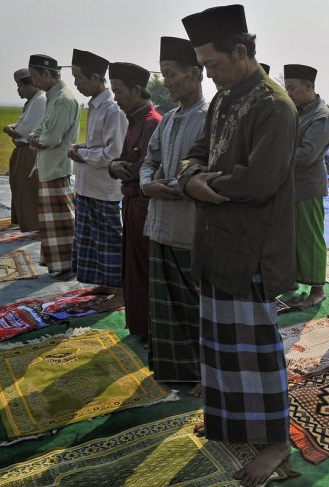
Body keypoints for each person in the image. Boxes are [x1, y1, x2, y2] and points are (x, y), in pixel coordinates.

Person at [179, 6, 297, 486]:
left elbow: (259, 181)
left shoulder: (275, 106)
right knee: (220, 345)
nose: (209, 75)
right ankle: (231, 421)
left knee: (256, 351)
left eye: (213, 65)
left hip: (252, 245)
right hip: (213, 239)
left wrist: (204, 184)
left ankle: (276, 441)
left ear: (241, 52)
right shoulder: (223, 99)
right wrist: (190, 177)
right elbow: (197, 150)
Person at [138, 36, 208, 390]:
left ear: (195, 74)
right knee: (165, 305)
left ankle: (201, 372)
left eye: (171, 74)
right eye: (163, 75)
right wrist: (146, 183)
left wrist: (174, 186)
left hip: (190, 227)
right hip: (161, 224)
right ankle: (174, 370)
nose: (166, 82)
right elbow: (149, 161)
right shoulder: (168, 120)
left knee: (192, 305)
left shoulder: (209, 118)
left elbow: (210, 174)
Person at [68, 49, 128, 306]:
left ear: (95, 78)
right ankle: (105, 282)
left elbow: (112, 153)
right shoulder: (95, 106)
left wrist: (83, 155)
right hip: (88, 186)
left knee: (109, 241)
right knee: (92, 239)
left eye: (79, 78)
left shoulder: (112, 110)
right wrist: (83, 148)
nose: (76, 83)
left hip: (104, 188)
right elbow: (97, 145)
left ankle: (119, 292)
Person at [106, 62, 162, 337]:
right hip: (131, 204)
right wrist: (117, 165)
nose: (115, 98)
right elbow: (126, 160)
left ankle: (149, 327)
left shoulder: (153, 123)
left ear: (137, 90)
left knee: (144, 270)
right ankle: (139, 325)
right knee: (133, 269)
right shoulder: (134, 120)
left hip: (144, 206)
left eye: (118, 92)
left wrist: (119, 168)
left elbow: (144, 168)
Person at [283, 64, 329, 307]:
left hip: (307, 186)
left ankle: (318, 289)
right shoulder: (298, 111)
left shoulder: (322, 116)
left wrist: (272, 155)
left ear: (309, 86)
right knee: (291, 236)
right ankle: (291, 281)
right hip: (289, 185)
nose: (289, 93)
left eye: (292, 88)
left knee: (311, 237)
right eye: (287, 88)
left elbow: (306, 155)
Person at [26, 54, 80, 279]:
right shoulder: (52, 97)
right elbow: (39, 131)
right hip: (49, 167)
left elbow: (51, 138)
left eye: (35, 76)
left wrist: (35, 140)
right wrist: (35, 137)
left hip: (57, 167)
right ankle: (60, 264)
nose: (34, 81)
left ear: (47, 74)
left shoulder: (63, 100)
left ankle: (68, 265)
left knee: (63, 221)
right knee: (52, 221)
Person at [3, 68, 46, 232]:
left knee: (29, 189)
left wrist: (11, 130)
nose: (18, 90)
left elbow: (24, 130)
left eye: (20, 86)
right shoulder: (32, 102)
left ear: (32, 84)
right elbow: (21, 123)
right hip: (24, 149)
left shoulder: (40, 101)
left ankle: (35, 225)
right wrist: (14, 129)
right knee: (22, 187)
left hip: (30, 150)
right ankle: (30, 223)